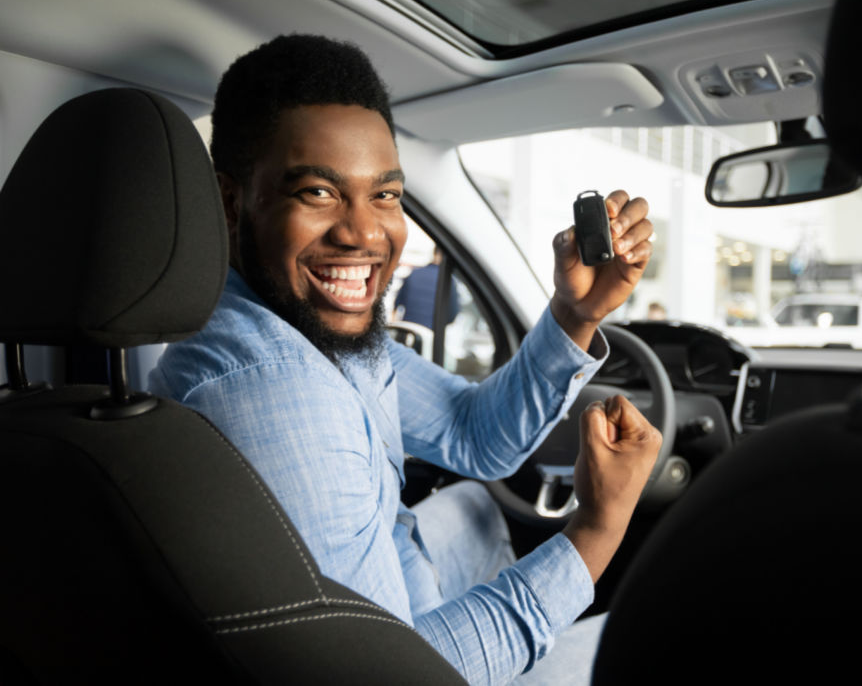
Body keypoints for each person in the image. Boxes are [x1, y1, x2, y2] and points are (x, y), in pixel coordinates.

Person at [149, 34, 660, 685]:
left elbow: (474, 433)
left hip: (394, 608)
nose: (365, 233)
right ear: (230, 202)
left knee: (476, 505)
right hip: (402, 661)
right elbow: (386, 676)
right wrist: (596, 531)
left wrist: (576, 314)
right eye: (317, 192)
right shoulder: (279, 392)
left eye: (385, 195)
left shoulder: (300, 322)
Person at [394, 246, 459, 329]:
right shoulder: (448, 281)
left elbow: (398, 303)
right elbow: (452, 314)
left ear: (434, 254)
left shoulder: (414, 274)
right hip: (430, 333)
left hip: (408, 331)